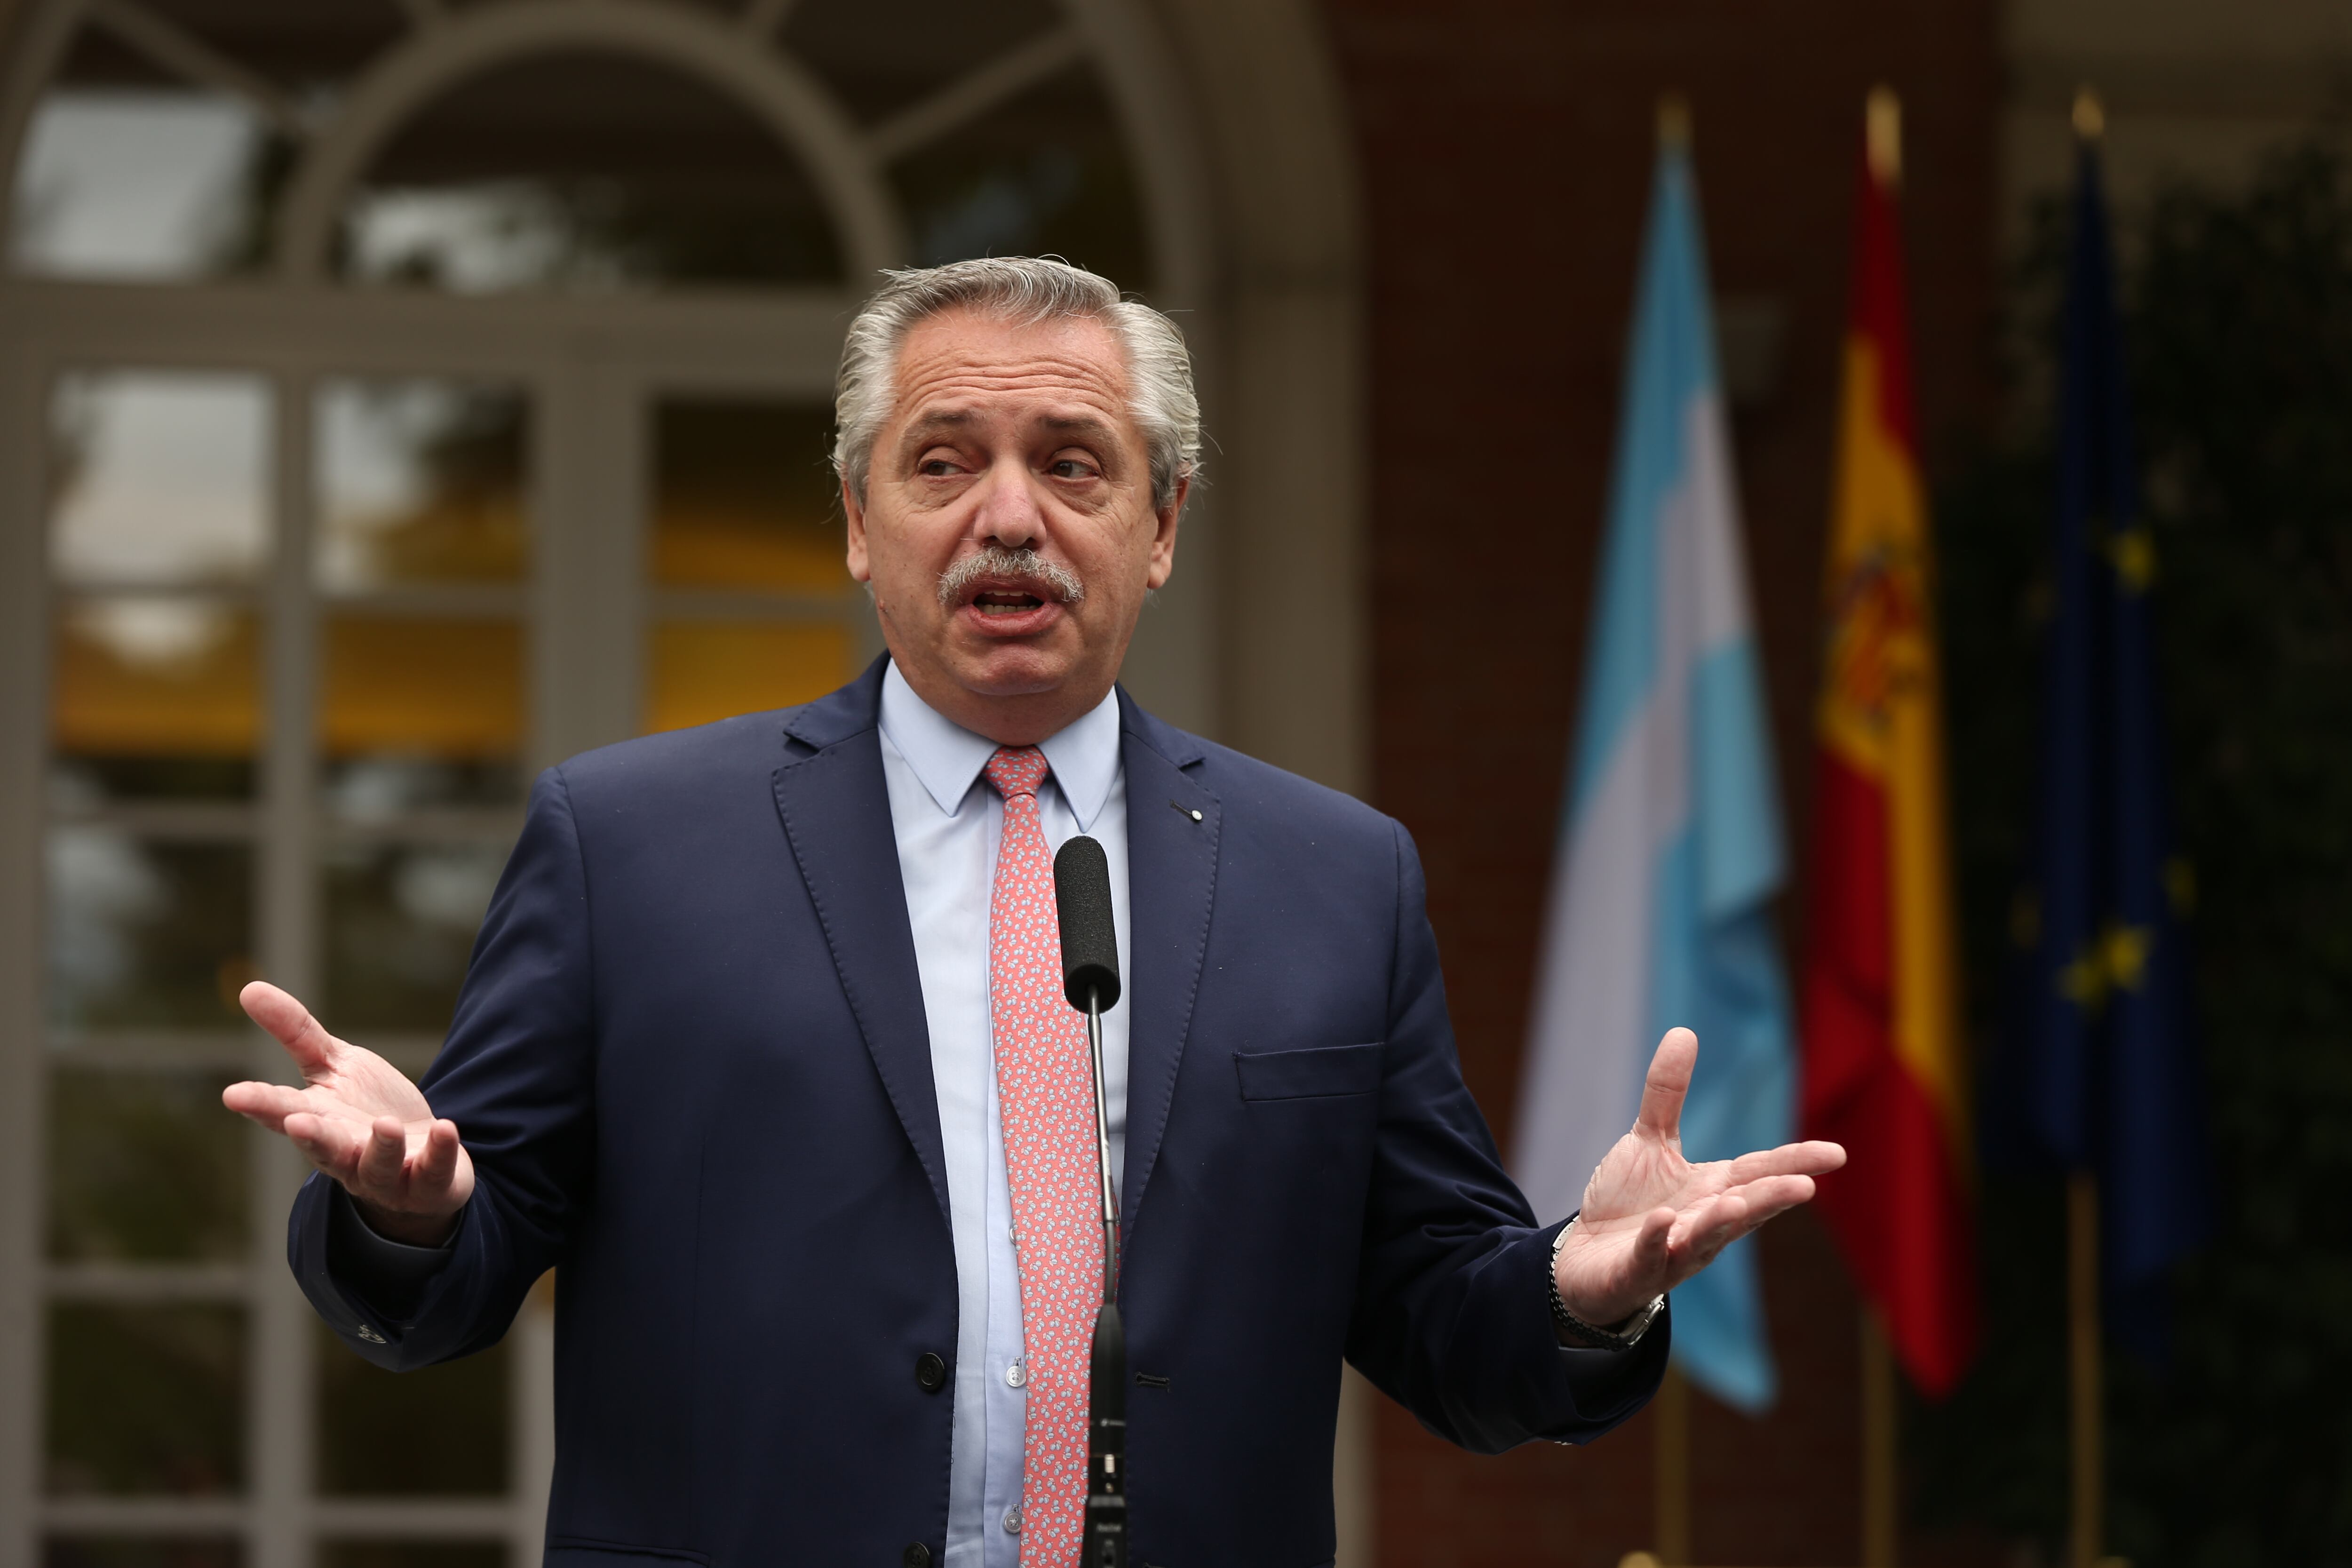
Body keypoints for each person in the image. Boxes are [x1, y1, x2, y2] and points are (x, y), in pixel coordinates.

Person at [223, 257, 1844, 1568]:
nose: (1011, 517)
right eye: (945, 464)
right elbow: (456, 1281)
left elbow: (1441, 1322)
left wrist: (1581, 1293)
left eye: (1074, 466)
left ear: (1163, 527)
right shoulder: (629, 844)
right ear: (862, 523)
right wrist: (411, 1216)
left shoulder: (1337, 875)